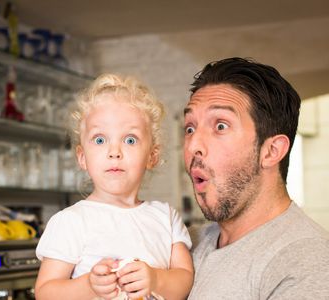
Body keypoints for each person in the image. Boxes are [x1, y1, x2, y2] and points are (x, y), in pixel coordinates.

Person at [35, 73, 194, 300]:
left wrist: (157, 279)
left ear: (152, 156)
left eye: (130, 139)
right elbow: (45, 292)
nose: (114, 151)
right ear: (82, 157)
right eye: (100, 140)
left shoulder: (166, 218)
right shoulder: (70, 221)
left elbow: (184, 279)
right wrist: (88, 286)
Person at [183, 57, 329, 299]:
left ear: (271, 151)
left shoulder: (304, 260)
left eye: (220, 126)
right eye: (189, 128)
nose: (193, 145)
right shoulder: (189, 242)